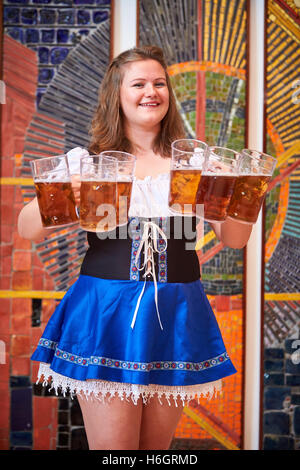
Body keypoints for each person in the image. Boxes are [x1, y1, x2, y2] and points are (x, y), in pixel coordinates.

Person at [18, 46, 252, 450]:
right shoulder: (89, 162)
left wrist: (243, 196)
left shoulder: (195, 162)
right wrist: (64, 195)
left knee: (156, 450)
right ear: (117, 94)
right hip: (107, 310)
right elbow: (27, 229)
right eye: (139, 83)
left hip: (177, 310)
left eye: (159, 83)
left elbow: (235, 239)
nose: (151, 91)